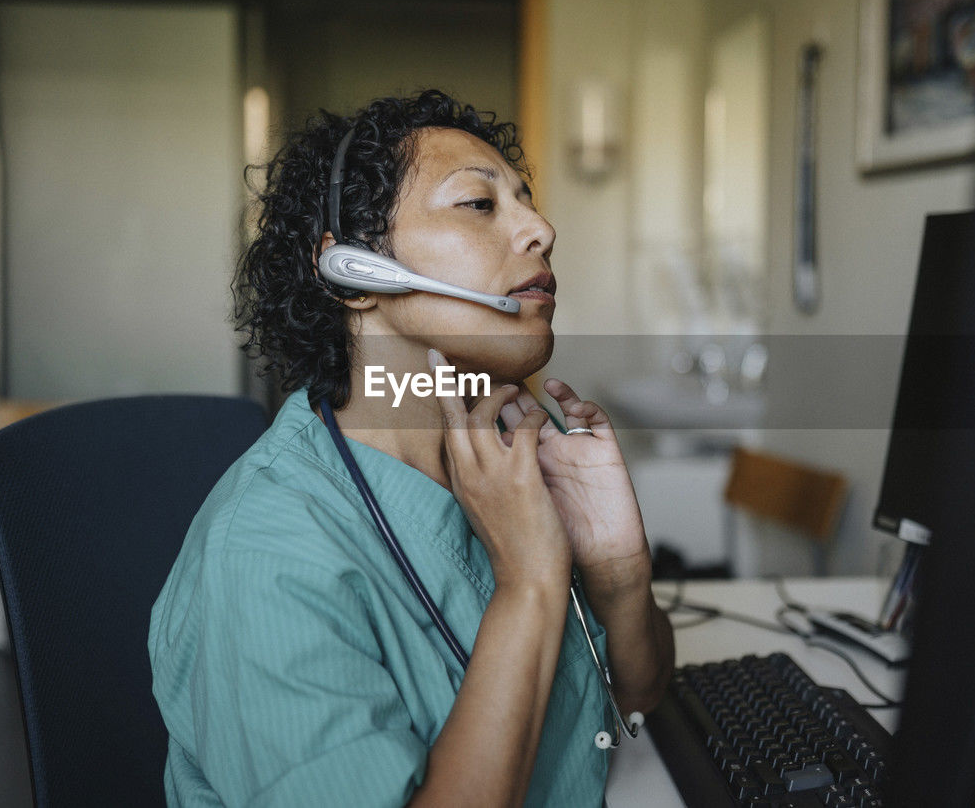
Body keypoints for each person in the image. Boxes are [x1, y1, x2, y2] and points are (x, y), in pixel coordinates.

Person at [148, 89, 675, 807]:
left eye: (526, 201)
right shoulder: (264, 554)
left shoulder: (507, 456)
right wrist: (528, 582)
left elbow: (636, 700)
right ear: (355, 275)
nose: (542, 229)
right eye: (479, 205)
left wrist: (618, 573)